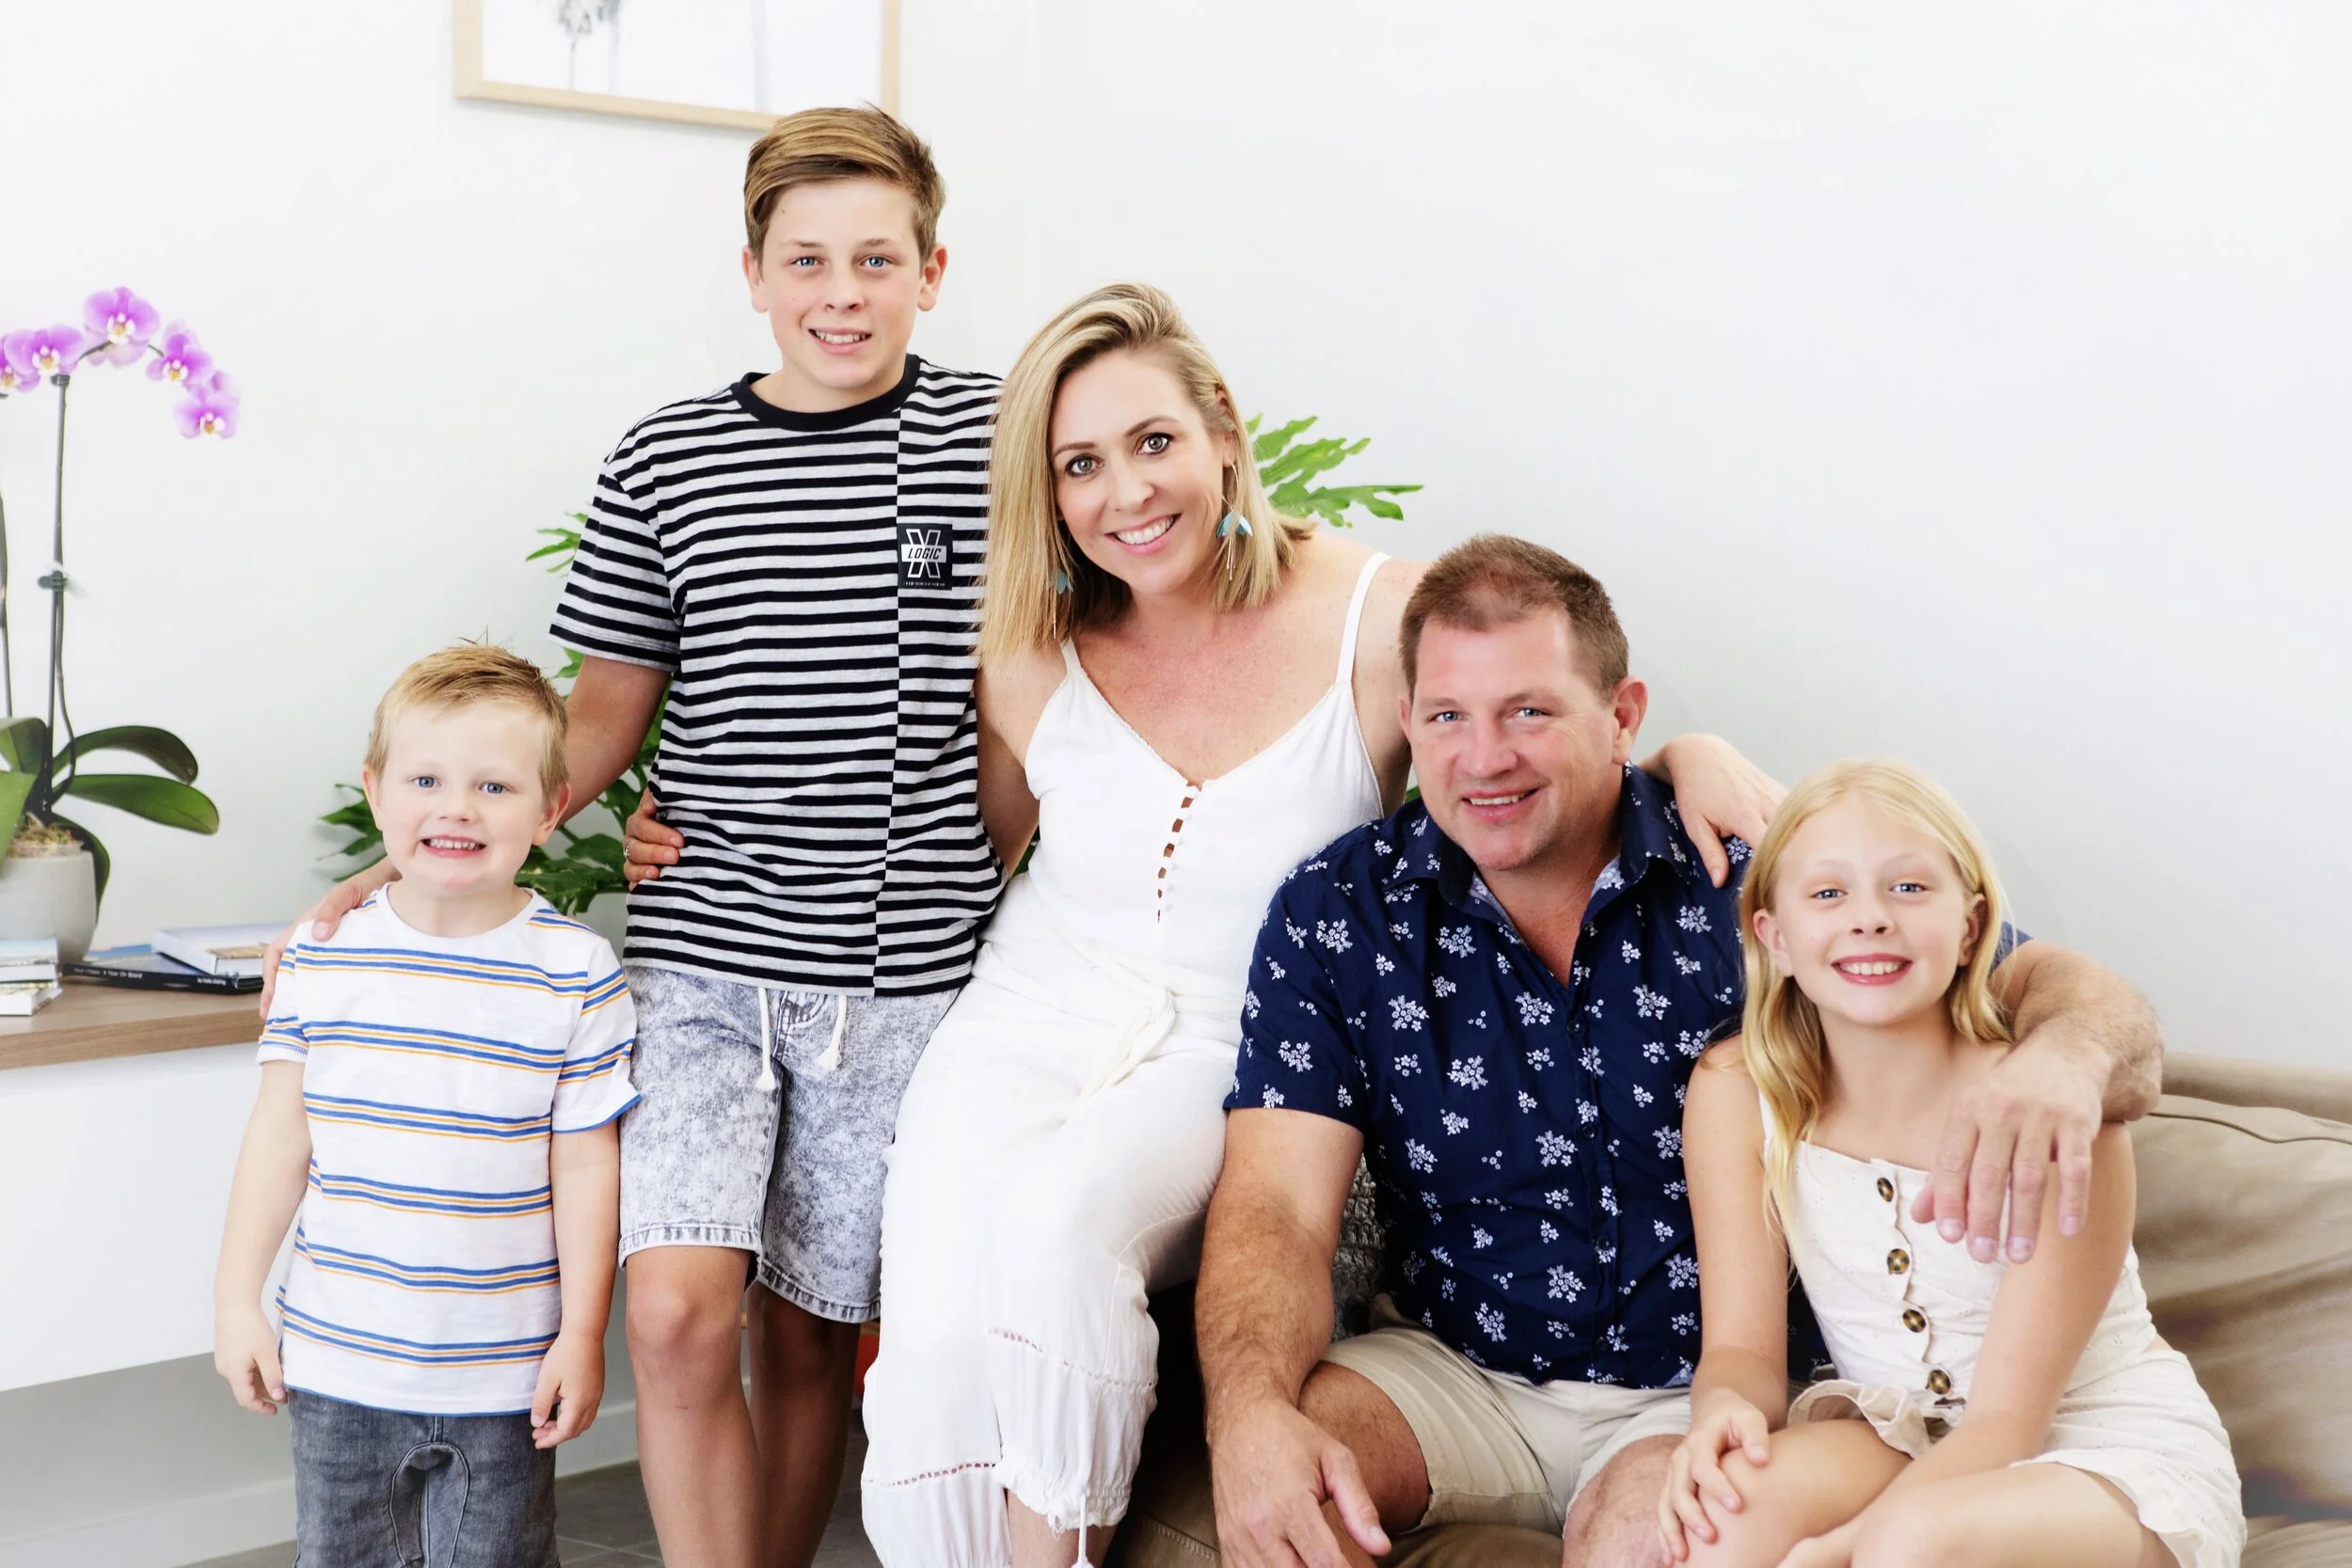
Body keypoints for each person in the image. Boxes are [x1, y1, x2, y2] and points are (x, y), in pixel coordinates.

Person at [721, 281, 1769, 1568]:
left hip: (1233, 1036)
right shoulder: (1028, 644)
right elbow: (959, 859)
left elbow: (1523, 720)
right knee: (934, 1319)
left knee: (1059, 1221)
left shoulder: (1377, 612)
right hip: (1027, 1011)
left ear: (1221, 428)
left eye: (1153, 440)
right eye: (1080, 465)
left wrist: (1695, 755)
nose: (1126, 491)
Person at [267, 107, 1006, 1568]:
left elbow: (1042, 680)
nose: (841, 292)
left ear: (932, 266)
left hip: (907, 974)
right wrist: (429, 852)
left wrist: (1012, 846)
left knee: (812, 1334)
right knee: (674, 1308)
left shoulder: (996, 432)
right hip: (705, 960)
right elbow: (602, 709)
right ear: (751, 271)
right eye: (806, 259)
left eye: (876, 257)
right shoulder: (667, 458)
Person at [1200, 536, 2166, 1568]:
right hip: (1454, 1362)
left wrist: (2063, 1056)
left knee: (1644, 1538)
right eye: (1447, 716)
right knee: (1292, 1490)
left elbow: (2040, 987)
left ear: (1622, 715)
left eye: (1529, 710)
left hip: (1694, 1386)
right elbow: (1276, 1208)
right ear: (1408, 723)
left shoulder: (1759, 883)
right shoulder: (1340, 912)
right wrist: (1245, 1416)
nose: (1483, 756)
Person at [1661, 760, 2240, 1568]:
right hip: (1895, 1425)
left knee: (1911, 1548)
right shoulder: (1734, 1092)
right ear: (1775, 937)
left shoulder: (2048, 1102)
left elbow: (2006, 1423)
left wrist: (1839, 1548)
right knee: (1724, 1523)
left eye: (1908, 889)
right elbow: (1744, 1352)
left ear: (1971, 928)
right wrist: (1721, 1408)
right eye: (1829, 894)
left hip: (2093, 1447)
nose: (1869, 920)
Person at [214, 644, 639, 1567]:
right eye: (425, 778)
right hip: (338, 1362)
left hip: (507, 1367)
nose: (455, 806)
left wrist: (581, 1333)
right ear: (376, 793)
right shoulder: (323, 957)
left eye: (494, 784)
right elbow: (278, 1135)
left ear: (551, 806)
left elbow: (588, 1161)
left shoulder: (577, 972)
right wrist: (235, 1298)